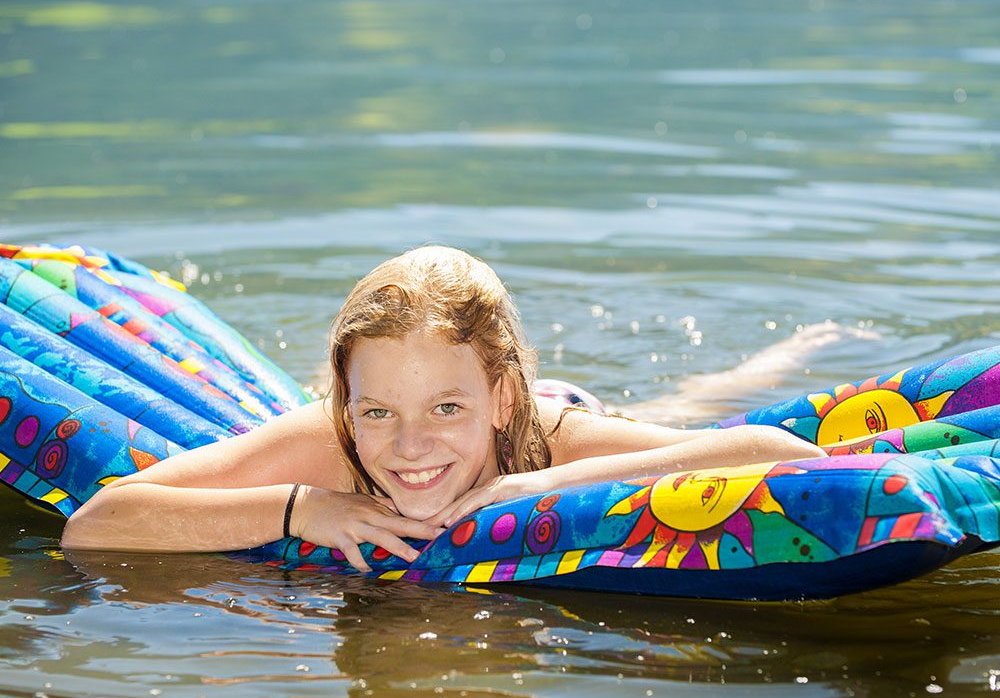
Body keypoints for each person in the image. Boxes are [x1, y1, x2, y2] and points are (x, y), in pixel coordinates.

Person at [61, 245, 826, 571]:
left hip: (555, 415)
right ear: (346, 405)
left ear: (499, 399)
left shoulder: (550, 438)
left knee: (687, 403)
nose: (412, 447)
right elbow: (94, 527)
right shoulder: (327, 442)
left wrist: (538, 486)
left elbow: (792, 458)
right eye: (379, 412)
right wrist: (300, 509)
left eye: (445, 408)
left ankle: (785, 352)